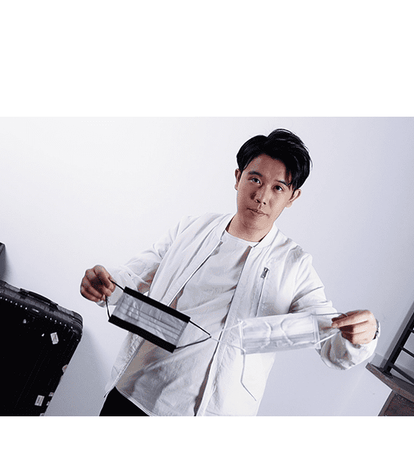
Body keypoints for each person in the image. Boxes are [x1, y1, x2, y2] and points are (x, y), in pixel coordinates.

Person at [80, 129, 379, 416]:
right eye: (255, 179)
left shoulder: (295, 265)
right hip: (133, 393)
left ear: (292, 197)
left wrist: (364, 336)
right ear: (238, 178)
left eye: (278, 188)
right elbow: (133, 276)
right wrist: (104, 283)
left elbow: (332, 342)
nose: (262, 196)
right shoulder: (192, 227)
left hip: (211, 414)